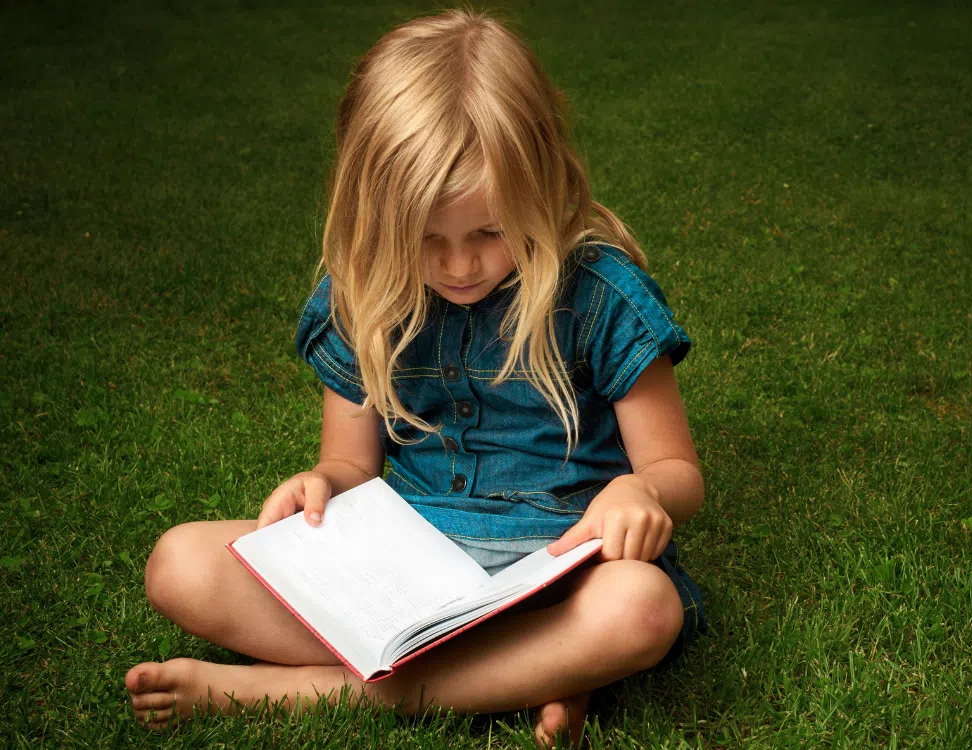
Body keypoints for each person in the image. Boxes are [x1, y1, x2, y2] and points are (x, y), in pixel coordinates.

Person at [124, 7, 704, 747]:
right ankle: (543, 675)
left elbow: (677, 472)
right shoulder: (363, 298)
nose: (460, 265)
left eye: (490, 231)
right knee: (179, 565)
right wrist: (321, 484)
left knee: (641, 608)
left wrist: (640, 491)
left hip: (565, 573)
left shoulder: (601, 296)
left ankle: (296, 695)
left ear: (541, 185)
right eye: (425, 239)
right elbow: (349, 466)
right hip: (411, 571)